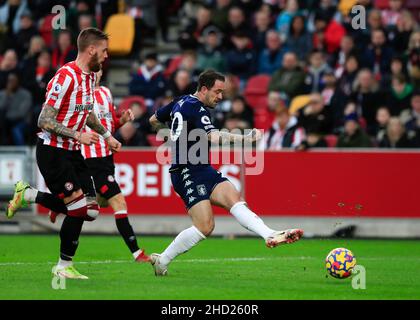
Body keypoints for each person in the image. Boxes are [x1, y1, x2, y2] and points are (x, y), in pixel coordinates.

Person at [148, 70, 303, 276]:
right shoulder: (198, 108)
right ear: (204, 89)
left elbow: (153, 120)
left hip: (202, 168)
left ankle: (270, 234)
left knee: (234, 198)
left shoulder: (182, 101)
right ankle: (163, 260)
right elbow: (212, 136)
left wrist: (171, 136)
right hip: (186, 171)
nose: (220, 97)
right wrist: (246, 139)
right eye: (217, 91)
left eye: (222, 92)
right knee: (205, 226)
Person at [5, 28, 122, 279]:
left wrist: (107, 135)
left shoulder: (90, 77)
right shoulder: (65, 76)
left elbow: (86, 113)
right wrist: (78, 135)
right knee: (78, 208)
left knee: (90, 210)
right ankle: (62, 266)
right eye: (103, 50)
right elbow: (43, 119)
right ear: (91, 49)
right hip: (53, 151)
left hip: (73, 152)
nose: (106, 56)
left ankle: (29, 195)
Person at [49, 69, 150, 263]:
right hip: (91, 159)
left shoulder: (105, 93)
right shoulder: (80, 96)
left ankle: (60, 203)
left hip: (106, 158)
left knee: (97, 204)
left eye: (100, 70)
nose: (97, 73)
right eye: (93, 70)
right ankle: (137, 253)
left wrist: (123, 120)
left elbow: (110, 125)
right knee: (118, 202)